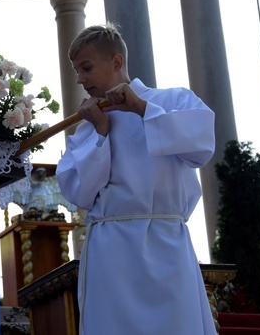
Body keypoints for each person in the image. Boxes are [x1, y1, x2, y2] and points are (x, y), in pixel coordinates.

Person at [56, 22, 216, 334]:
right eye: (76, 70)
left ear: (116, 62)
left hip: (165, 245)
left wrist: (142, 109)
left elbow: (201, 148)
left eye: (86, 68)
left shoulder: (173, 101)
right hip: (111, 252)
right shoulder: (87, 127)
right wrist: (101, 133)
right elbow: (81, 194)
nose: (80, 79)